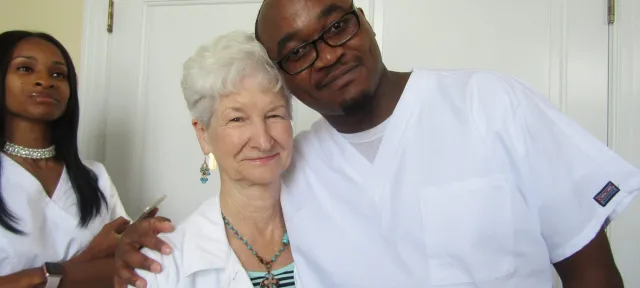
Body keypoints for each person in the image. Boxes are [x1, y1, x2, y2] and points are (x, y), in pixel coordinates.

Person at [114, 0, 640, 287]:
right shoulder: (300, 171)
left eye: (337, 26)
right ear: (285, 75)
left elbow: (589, 268)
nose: (326, 56)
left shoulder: (490, 103)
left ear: (363, 20)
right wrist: (125, 250)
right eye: (297, 53)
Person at [122, 31, 297, 288]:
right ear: (203, 134)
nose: (263, 140)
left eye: (274, 115)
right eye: (237, 119)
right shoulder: (160, 266)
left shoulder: (331, 223)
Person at [0, 30, 131, 288]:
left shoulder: (95, 178)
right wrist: (83, 263)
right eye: (25, 68)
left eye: (58, 74)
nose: (45, 81)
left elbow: (123, 269)